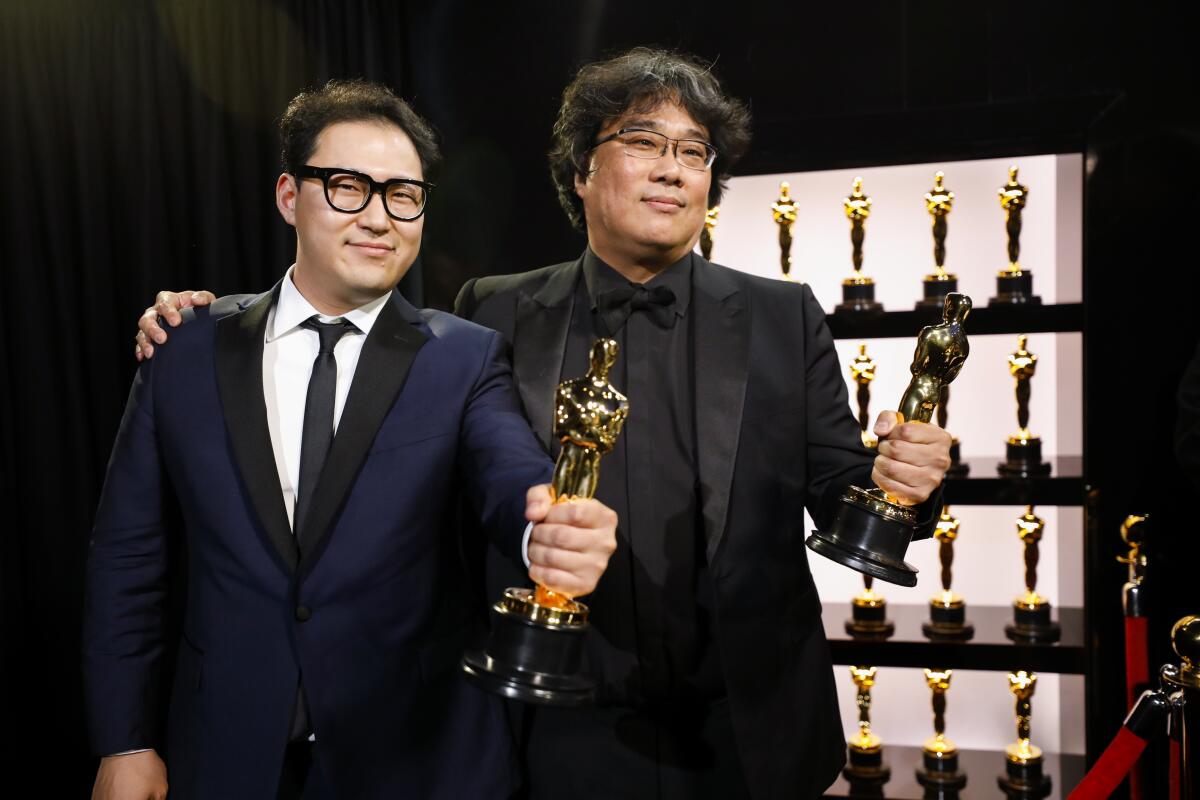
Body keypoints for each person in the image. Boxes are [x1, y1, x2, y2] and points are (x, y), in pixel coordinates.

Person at [136, 50, 951, 800]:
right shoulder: (490, 308)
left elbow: (846, 496)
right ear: (581, 170)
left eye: (696, 150)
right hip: (552, 715)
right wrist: (210, 314)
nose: (673, 168)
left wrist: (904, 487)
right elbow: (356, 372)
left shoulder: (783, 315)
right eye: (644, 140)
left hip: (746, 720)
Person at [88, 79, 617, 800]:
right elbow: (128, 557)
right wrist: (124, 739)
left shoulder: (464, 356)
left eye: (403, 194)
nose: (379, 217)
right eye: (347, 187)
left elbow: (508, 473)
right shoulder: (185, 349)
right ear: (288, 196)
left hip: (418, 756)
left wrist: (545, 535)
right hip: (226, 750)